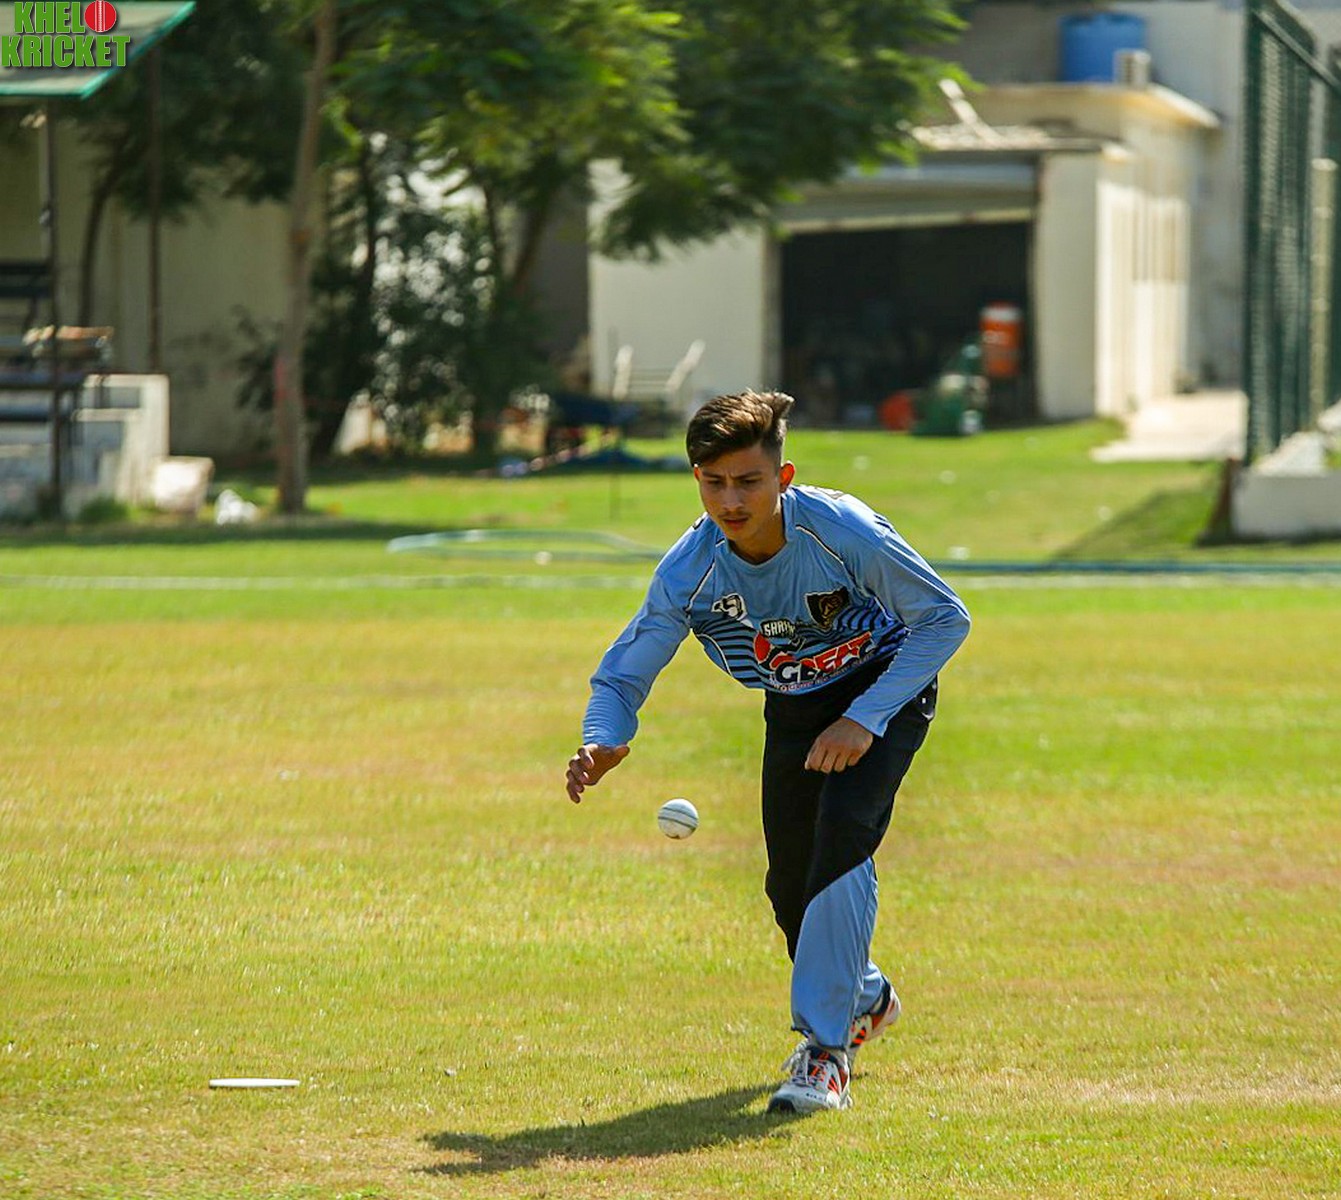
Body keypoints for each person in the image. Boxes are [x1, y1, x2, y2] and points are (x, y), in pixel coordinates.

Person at [564, 390, 970, 1114]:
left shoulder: (841, 530)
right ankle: (866, 996)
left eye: (748, 482)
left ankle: (825, 1053)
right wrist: (604, 735)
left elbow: (943, 618)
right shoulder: (689, 570)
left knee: (842, 837)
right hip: (795, 706)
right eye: (713, 482)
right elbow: (624, 672)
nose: (730, 501)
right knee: (789, 887)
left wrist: (864, 719)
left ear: (782, 478)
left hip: (885, 685)